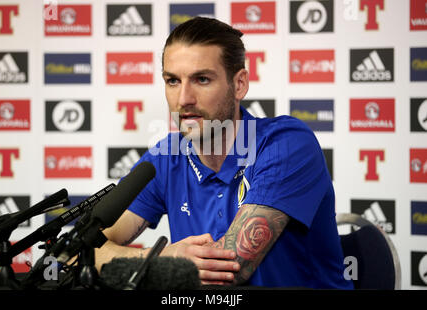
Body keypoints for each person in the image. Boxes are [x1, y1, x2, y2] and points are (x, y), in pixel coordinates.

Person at [95, 16, 354, 289]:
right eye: (172, 81)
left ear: (239, 84)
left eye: (202, 79)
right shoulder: (166, 158)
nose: (183, 99)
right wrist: (159, 257)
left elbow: (230, 269)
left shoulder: (286, 144)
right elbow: (80, 250)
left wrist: (141, 263)